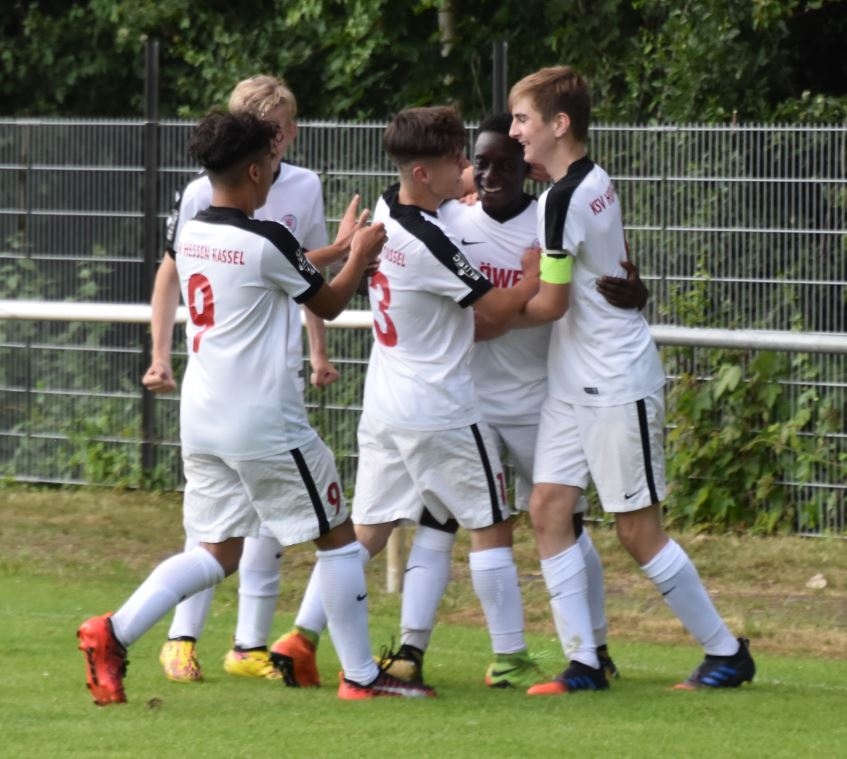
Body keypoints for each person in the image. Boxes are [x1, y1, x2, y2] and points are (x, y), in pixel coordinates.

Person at [78, 108, 434, 705]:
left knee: (218, 552)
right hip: (264, 423)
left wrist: (338, 248)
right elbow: (328, 305)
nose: (274, 171)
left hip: (203, 419)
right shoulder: (265, 238)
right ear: (253, 169)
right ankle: (361, 678)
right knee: (338, 538)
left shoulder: (194, 232)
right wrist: (359, 254)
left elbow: (275, 270)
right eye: (270, 161)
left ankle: (113, 632)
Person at [269, 106, 543, 690]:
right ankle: (511, 658)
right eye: (455, 159)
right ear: (422, 172)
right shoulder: (430, 241)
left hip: (385, 403)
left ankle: (301, 636)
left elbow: (448, 188)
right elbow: (496, 310)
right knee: (492, 523)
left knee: (367, 533)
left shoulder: (389, 209)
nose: (466, 168)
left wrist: (469, 183)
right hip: (440, 407)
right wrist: (530, 274)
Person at [507, 65, 755, 694]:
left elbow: (552, 304)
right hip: (573, 382)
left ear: (559, 125)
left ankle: (726, 653)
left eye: (522, 119)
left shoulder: (564, 199)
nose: (514, 133)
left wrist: (484, 317)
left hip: (614, 380)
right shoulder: (588, 180)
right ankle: (585, 664)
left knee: (637, 531)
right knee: (548, 508)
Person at [382, 111, 649, 687]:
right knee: (439, 519)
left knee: (564, 523)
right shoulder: (449, 217)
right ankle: (410, 650)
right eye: (480, 163)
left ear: (527, 166)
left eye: (504, 163)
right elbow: (402, 202)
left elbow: (604, 271)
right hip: (465, 401)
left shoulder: (548, 217)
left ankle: (595, 648)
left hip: (534, 401)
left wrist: (636, 289)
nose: (490, 174)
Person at [143, 75, 342, 684]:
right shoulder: (203, 193)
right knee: (216, 528)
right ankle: (181, 637)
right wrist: (160, 353)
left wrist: (317, 350)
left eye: (287, 125)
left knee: (268, 527)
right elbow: (175, 271)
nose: (286, 137)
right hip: (227, 380)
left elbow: (303, 272)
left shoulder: (304, 185)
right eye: (275, 128)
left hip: (274, 371)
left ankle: (248, 645)